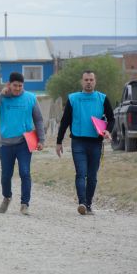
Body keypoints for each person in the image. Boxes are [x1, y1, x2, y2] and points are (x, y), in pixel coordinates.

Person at [56, 70, 114, 215]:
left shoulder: (102, 98)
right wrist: (59, 141)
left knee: (92, 176)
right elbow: (65, 121)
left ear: (95, 81)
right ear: (82, 82)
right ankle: (82, 203)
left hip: (96, 142)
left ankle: (88, 204)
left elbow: (112, 118)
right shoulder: (73, 99)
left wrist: (108, 130)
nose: (88, 82)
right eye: (86, 80)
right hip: (78, 141)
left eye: (91, 80)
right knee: (81, 173)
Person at [0, 72, 45, 215]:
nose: (17, 88)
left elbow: (38, 119)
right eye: (15, 85)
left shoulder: (31, 98)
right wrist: (0, 96)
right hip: (5, 144)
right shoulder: (2, 98)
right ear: (9, 85)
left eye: (20, 86)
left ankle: (25, 204)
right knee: (6, 175)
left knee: (25, 172)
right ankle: (7, 197)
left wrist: (41, 139)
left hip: (24, 143)